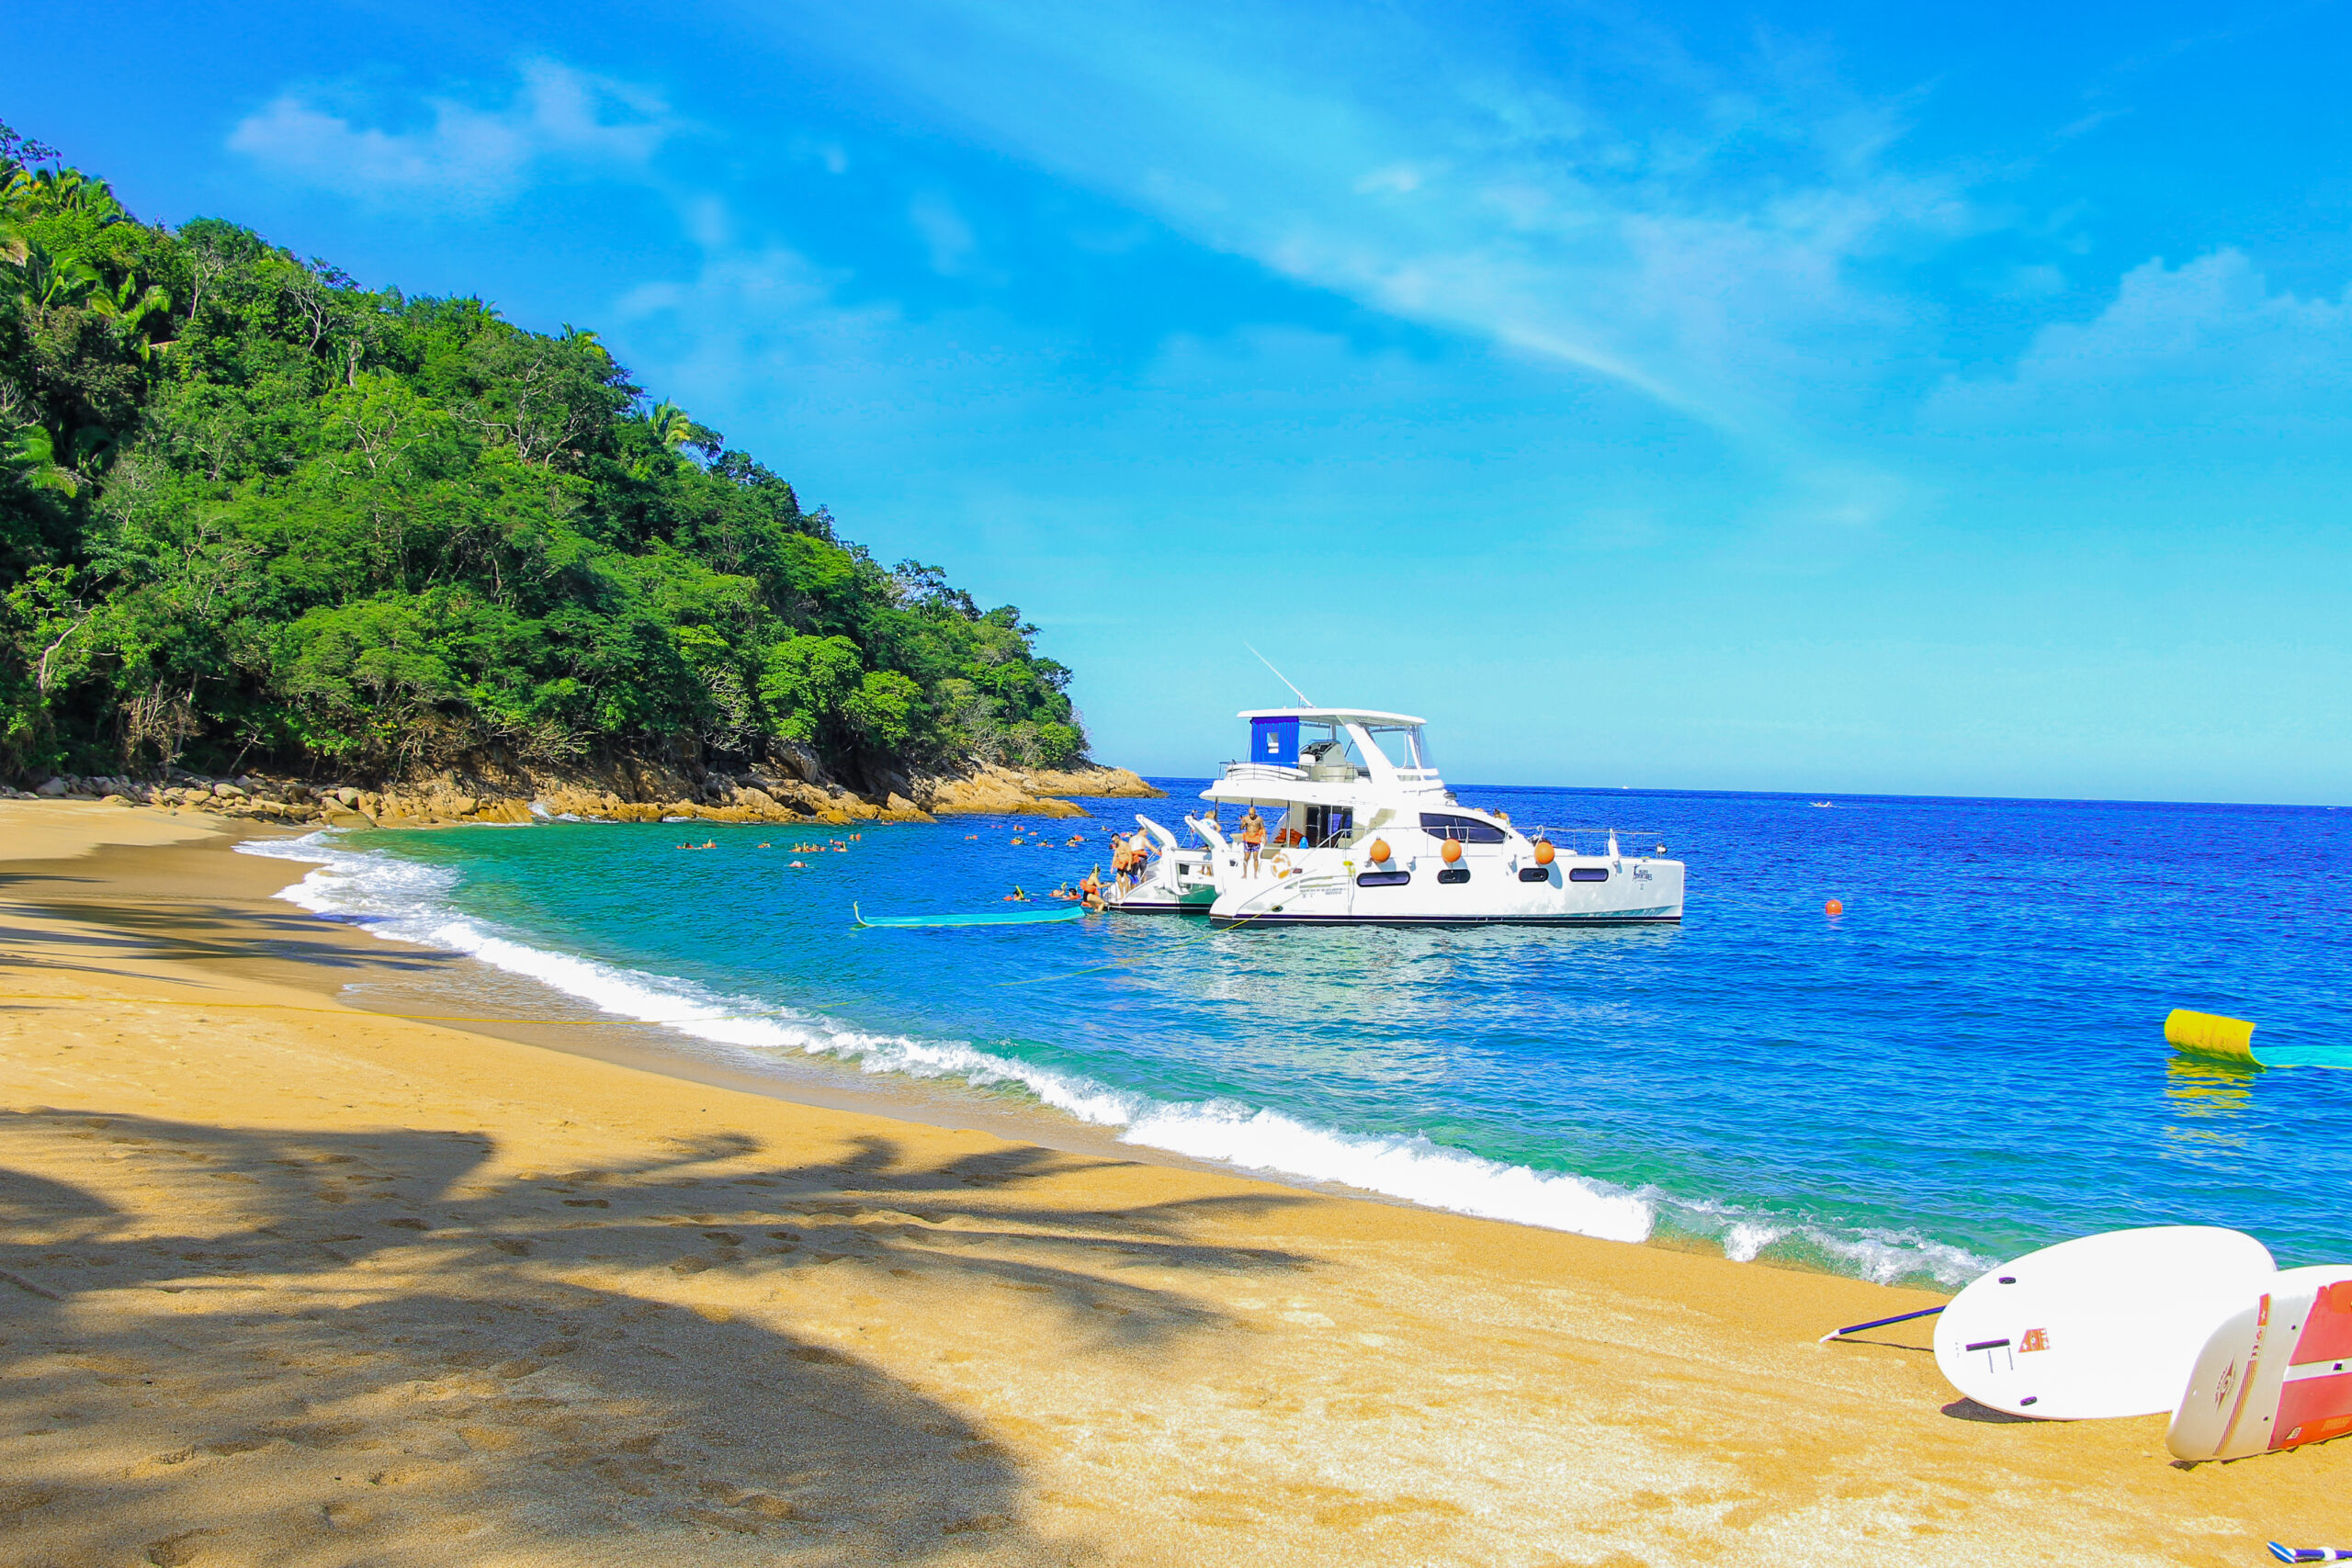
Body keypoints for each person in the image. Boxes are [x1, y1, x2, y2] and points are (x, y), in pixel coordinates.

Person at [1239, 807, 1266, 878]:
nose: (1251, 816)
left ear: (1255, 812)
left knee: (1255, 857)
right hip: (1248, 840)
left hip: (1256, 840)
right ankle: (1245, 874)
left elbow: (1263, 829)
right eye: (1250, 814)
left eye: (1252, 814)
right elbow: (1241, 828)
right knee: (1246, 857)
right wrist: (1242, 824)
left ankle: (1255, 874)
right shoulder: (1246, 818)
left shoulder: (1259, 819)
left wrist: (1265, 838)